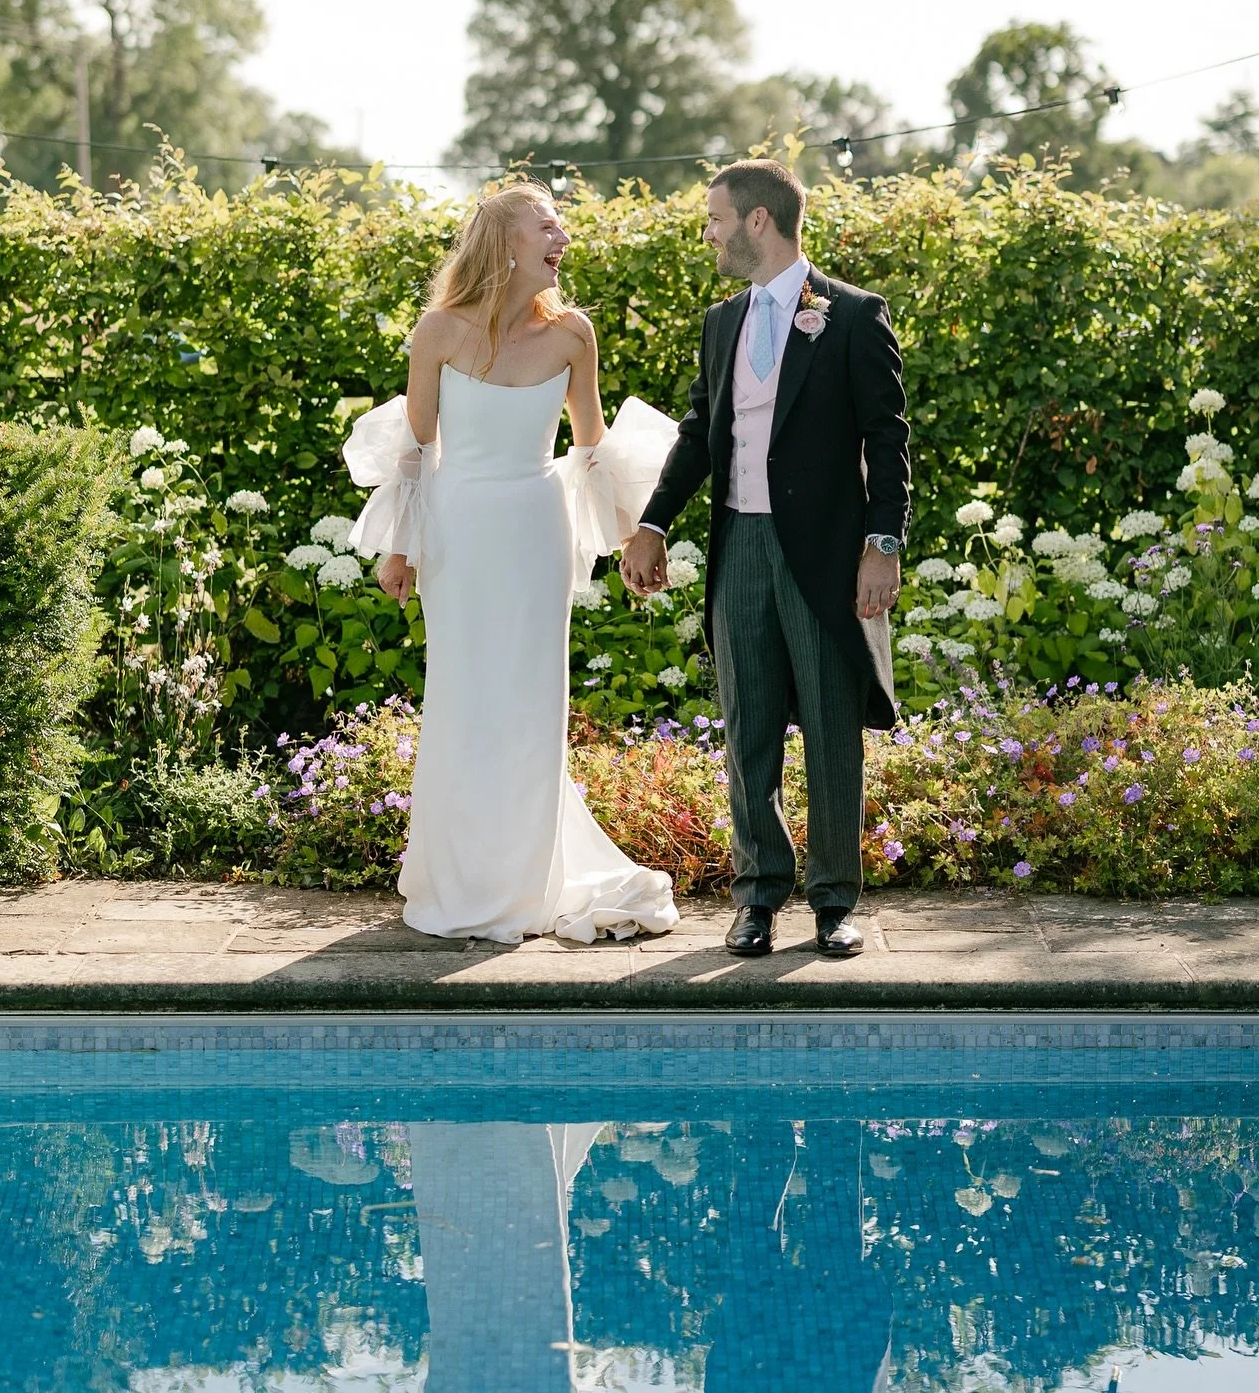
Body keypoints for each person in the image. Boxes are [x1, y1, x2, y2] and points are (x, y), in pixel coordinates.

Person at [342, 182, 679, 945]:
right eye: (547, 225)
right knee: (464, 698)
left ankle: (528, 883)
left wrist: (633, 538)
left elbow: (591, 448)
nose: (562, 238)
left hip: (536, 532)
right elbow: (416, 451)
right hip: (460, 534)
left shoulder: (573, 334)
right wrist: (401, 548)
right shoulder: (437, 331)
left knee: (530, 704)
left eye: (560, 226)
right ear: (504, 243)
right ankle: (460, 878)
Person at [622, 160, 910, 960]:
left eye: (715, 218)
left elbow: (888, 442)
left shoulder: (853, 315)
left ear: (757, 221)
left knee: (828, 729)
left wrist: (881, 546)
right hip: (739, 546)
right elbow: (698, 434)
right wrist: (652, 522)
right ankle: (757, 896)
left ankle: (832, 903)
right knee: (748, 727)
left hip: (822, 554)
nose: (708, 233)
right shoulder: (723, 322)